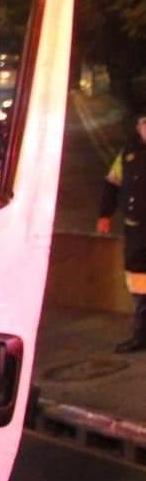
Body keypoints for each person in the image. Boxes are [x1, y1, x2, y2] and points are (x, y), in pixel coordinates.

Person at [98, 113, 146, 352]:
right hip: (136, 229)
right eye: (145, 124)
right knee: (139, 283)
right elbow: (111, 184)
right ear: (138, 128)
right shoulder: (127, 155)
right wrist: (105, 215)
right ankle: (141, 335)